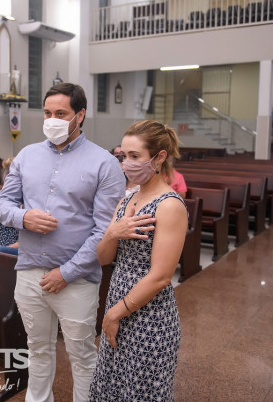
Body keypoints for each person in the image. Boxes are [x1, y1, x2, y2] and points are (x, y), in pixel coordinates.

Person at [0, 82, 126, 402]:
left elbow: (104, 230)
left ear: (80, 115)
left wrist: (66, 273)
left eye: (61, 113)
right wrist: (24, 217)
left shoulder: (104, 163)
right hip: (29, 271)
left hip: (76, 278)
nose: (52, 119)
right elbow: (2, 205)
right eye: (47, 113)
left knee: (82, 354)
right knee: (37, 349)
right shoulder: (27, 155)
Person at [89, 120, 188, 401]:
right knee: (111, 387)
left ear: (159, 158)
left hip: (149, 316)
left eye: (135, 156)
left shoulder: (169, 205)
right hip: (118, 302)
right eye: (124, 156)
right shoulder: (127, 200)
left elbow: (160, 276)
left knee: (139, 391)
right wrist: (113, 233)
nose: (126, 164)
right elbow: (103, 257)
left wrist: (114, 314)